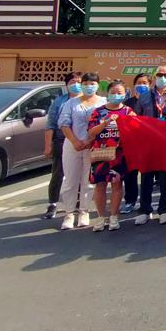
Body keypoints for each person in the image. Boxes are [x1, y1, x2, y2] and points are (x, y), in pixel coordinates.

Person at [132, 65, 166, 226]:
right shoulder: (145, 96)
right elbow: (136, 118)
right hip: (148, 142)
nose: (163, 77)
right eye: (160, 74)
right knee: (146, 177)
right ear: (155, 76)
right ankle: (145, 210)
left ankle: (164, 210)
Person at [57, 72, 105, 230]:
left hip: (94, 146)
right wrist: (75, 141)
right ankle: (69, 213)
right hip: (73, 145)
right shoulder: (71, 103)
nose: (88, 87)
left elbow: (106, 125)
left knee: (89, 181)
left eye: (92, 84)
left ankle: (84, 211)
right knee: (70, 180)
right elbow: (64, 124)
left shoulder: (103, 102)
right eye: (85, 84)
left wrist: (89, 140)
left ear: (98, 85)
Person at [87, 80, 137, 232]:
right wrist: (105, 123)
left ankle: (114, 216)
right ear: (107, 94)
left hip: (119, 155)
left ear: (125, 94)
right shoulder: (98, 112)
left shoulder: (128, 111)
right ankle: (101, 217)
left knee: (117, 184)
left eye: (119, 93)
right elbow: (91, 132)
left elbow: (135, 131)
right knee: (100, 185)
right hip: (100, 154)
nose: (116, 95)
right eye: (113, 92)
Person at [42, 70, 83, 220]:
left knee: (81, 174)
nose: (76, 85)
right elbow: (50, 124)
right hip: (61, 141)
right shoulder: (59, 102)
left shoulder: (88, 100)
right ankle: (52, 204)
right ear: (66, 85)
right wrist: (48, 145)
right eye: (72, 82)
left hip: (83, 142)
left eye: (79, 82)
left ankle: (78, 203)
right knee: (58, 174)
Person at [119, 72, 151, 214]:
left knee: (146, 174)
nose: (141, 85)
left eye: (145, 83)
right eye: (139, 83)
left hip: (147, 142)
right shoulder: (128, 103)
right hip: (131, 142)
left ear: (150, 85)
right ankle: (130, 201)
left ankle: (145, 204)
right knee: (130, 173)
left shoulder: (152, 101)